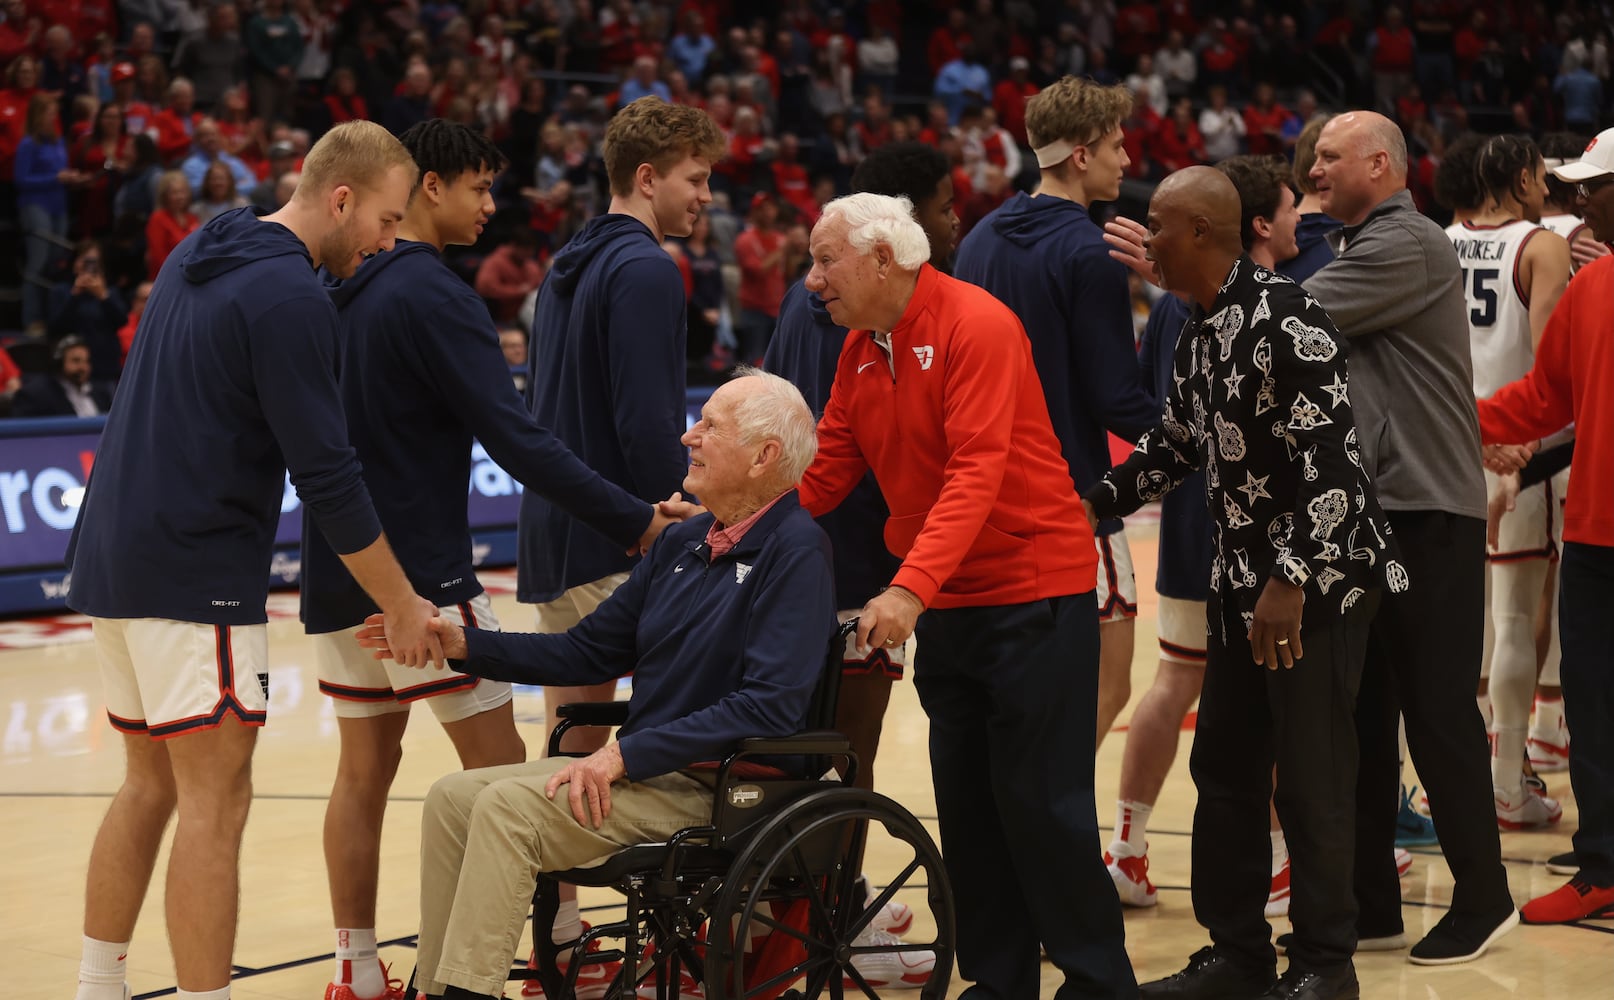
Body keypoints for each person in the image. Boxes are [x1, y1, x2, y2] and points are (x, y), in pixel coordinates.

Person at [63, 119, 442, 1000]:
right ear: (340, 198)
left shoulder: (208, 240)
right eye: (386, 221)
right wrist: (404, 602)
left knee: (148, 785)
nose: (389, 242)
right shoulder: (290, 298)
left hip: (114, 560)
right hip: (195, 576)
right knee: (216, 803)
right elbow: (330, 479)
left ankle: (96, 986)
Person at [304, 119, 683, 1000]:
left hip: (334, 569)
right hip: (417, 577)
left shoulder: (339, 287)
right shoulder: (434, 295)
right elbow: (514, 438)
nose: (490, 207)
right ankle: (560, 939)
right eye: (478, 188)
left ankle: (355, 972)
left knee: (362, 773)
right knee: (506, 769)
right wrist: (632, 518)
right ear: (427, 188)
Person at [359, 369, 838, 1000]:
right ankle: (440, 987)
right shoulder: (685, 542)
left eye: (710, 426)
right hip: (648, 772)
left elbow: (769, 707)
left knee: (505, 810)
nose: (689, 435)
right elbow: (584, 650)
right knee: (453, 796)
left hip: (721, 783)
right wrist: (460, 644)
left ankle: (467, 993)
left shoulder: (796, 552)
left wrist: (620, 754)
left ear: (764, 456)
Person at [798, 192, 1135, 1000]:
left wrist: (909, 587)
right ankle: (999, 981)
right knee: (972, 814)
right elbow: (826, 472)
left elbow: (977, 470)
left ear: (885, 259)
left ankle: (1098, 984)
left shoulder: (974, 323)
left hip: (1032, 593)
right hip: (950, 601)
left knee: (1043, 809)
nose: (811, 282)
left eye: (824, 260)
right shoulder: (861, 350)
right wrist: (728, 515)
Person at [1092, 164, 1399, 1000]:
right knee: (1225, 775)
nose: (1144, 238)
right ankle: (1237, 954)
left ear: (1199, 231)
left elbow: (1334, 462)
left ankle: (1326, 967)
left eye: (1155, 224)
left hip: (1315, 589)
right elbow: (1176, 446)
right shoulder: (1198, 327)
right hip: (1241, 588)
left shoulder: (1288, 315)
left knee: (1310, 779)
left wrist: (1290, 578)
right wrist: (1088, 503)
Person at [1298, 111, 1520, 967]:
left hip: (1427, 511)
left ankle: (1486, 894)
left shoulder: (1410, 243)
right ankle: (1372, 901)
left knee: (1434, 710)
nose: (1313, 168)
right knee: (1363, 710)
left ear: (1379, 164)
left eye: (1326, 156)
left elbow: (1288, 316)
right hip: (1379, 509)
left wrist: (1213, 275)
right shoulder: (1363, 245)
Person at [518, 95, 726, 982]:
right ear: (648, 178)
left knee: (568, 735)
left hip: (555, 532)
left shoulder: (566, 261)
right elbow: (648, 428)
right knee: (680, 734)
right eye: (695, 179)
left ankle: (559, 930)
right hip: (623, 534)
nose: (705, 197)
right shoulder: (645, 268)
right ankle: (694, 927)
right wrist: (683, 508)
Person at [762, 140, 957, 976]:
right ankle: (828, 925)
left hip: (801, 557)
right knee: (844, 751)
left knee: (813, 749)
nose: (956, 221)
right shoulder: (856, 324)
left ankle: (821, 896)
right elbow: (838, 460)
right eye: (945, 207)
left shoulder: (800, 310)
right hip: (847, 570)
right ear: (906, 223)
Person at [1103, 155, 1299, 909]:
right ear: (1252, 224)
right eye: (1288, 208)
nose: (1297, 220)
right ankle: (1282, 862)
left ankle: (1127, 848)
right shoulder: (1251, 305)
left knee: (1174, 680)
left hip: (1188, 518)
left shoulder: (1174, 306)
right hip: (1240, 528)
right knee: (1273, 693)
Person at [953, 76, 1157, 751]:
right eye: (1117, 148)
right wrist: (1200, 436)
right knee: (1106, 687)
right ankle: (1053, 837)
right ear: (1080, 155)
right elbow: (1117, 402)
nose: (1125, 164)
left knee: (1011, 694)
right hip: (1071, 497)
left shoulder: (980, 238)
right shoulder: (1089, 254)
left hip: (986, 498)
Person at [1476, 130, 1614, 924]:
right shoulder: (1592, 290)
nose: (1581, 198)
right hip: (1595, 535)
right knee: (1595, 705)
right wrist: (1457, 420)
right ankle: (1604, 862)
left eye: (1597, 184)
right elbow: (1544, 396)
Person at [1448, 134, 1572, 831]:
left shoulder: (1440, 238)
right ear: (1522, 175)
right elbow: (1555, 361)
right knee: (1515, 620)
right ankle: (1504, 784)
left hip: (1447, 446)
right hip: (1521, 449)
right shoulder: (1541, 245)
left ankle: (1438, 785)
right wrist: (1520, 446)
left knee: (1446, 627)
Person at [11, 334, 113, 417]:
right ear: (59, 363)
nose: (83, 367)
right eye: (76, 361)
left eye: (86, 361)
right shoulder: (36, 395)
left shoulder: (102, 393)